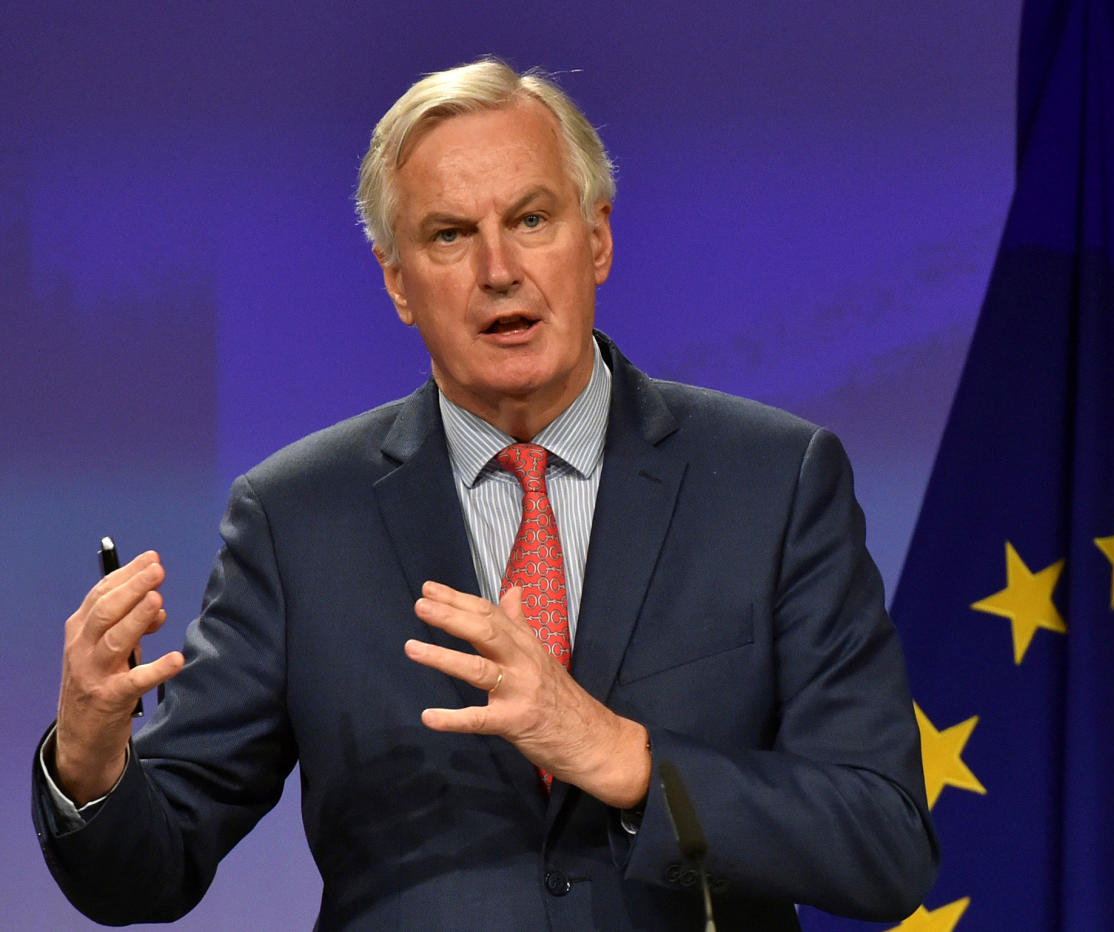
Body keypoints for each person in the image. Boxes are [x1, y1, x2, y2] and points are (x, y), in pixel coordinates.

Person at [33, 58, 937, 930]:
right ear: (398, 283)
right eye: (450, 235)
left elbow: (882, 841)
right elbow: (145, 873)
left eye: (533, 219)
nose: (499, 268)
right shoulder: (298, 517)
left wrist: (618, 753)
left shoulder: (772, 481)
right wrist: (88, 755)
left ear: (599, 238)